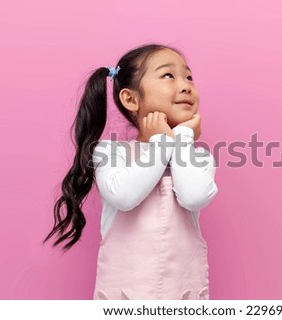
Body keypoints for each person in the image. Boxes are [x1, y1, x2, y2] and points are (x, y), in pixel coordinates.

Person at [44, 43, 218, 300]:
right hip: (124, 295)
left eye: (189, 76)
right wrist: (161, 142)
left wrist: (181, 137)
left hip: (183, 293)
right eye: (168, 75)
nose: (186, 85)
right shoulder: (110, 151)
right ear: (131, 99)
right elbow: (124, 196)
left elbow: (193, 196)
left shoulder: (198, 157)